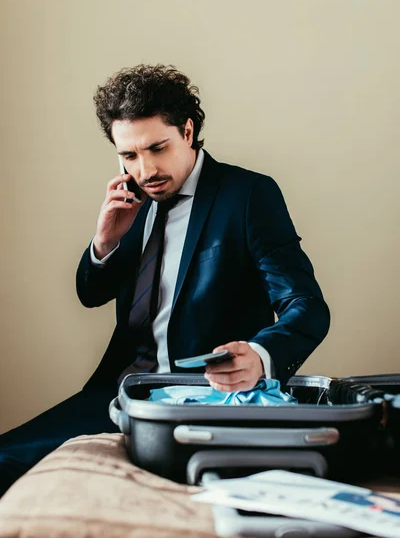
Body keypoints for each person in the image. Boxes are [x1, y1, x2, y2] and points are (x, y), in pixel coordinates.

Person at [0, 64, 330, 497]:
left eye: (158, 148)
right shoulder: (132, 202)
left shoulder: (246, 195)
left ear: (188, 132)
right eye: (129, 156)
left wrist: (261, 355)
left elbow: (306, 305)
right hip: (123, 392)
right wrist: (105, 241)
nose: (146, 168)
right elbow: (90, 294)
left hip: (204, 396)